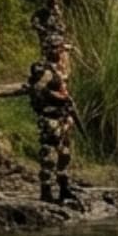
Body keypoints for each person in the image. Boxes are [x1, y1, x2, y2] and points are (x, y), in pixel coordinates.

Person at [27, 38, 78, 205]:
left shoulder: (61, 67)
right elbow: (37, 90)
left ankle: (64, 188)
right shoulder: (43, 69)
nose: (61, 52)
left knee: (65, 154)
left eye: (62, 49)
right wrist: (59, 97)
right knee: (49, 154)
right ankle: (46, 191)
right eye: (58, 49)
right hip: (49, 116)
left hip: (63, 117)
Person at [31, 0, 67, 69]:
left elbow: (63, 25)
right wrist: (41, 28)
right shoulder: (41, 12)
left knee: (65, 53)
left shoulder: (58, 12)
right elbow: (34, 22)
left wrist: (62, 28)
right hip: (46, 39)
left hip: (58, 39)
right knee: (45, 58)